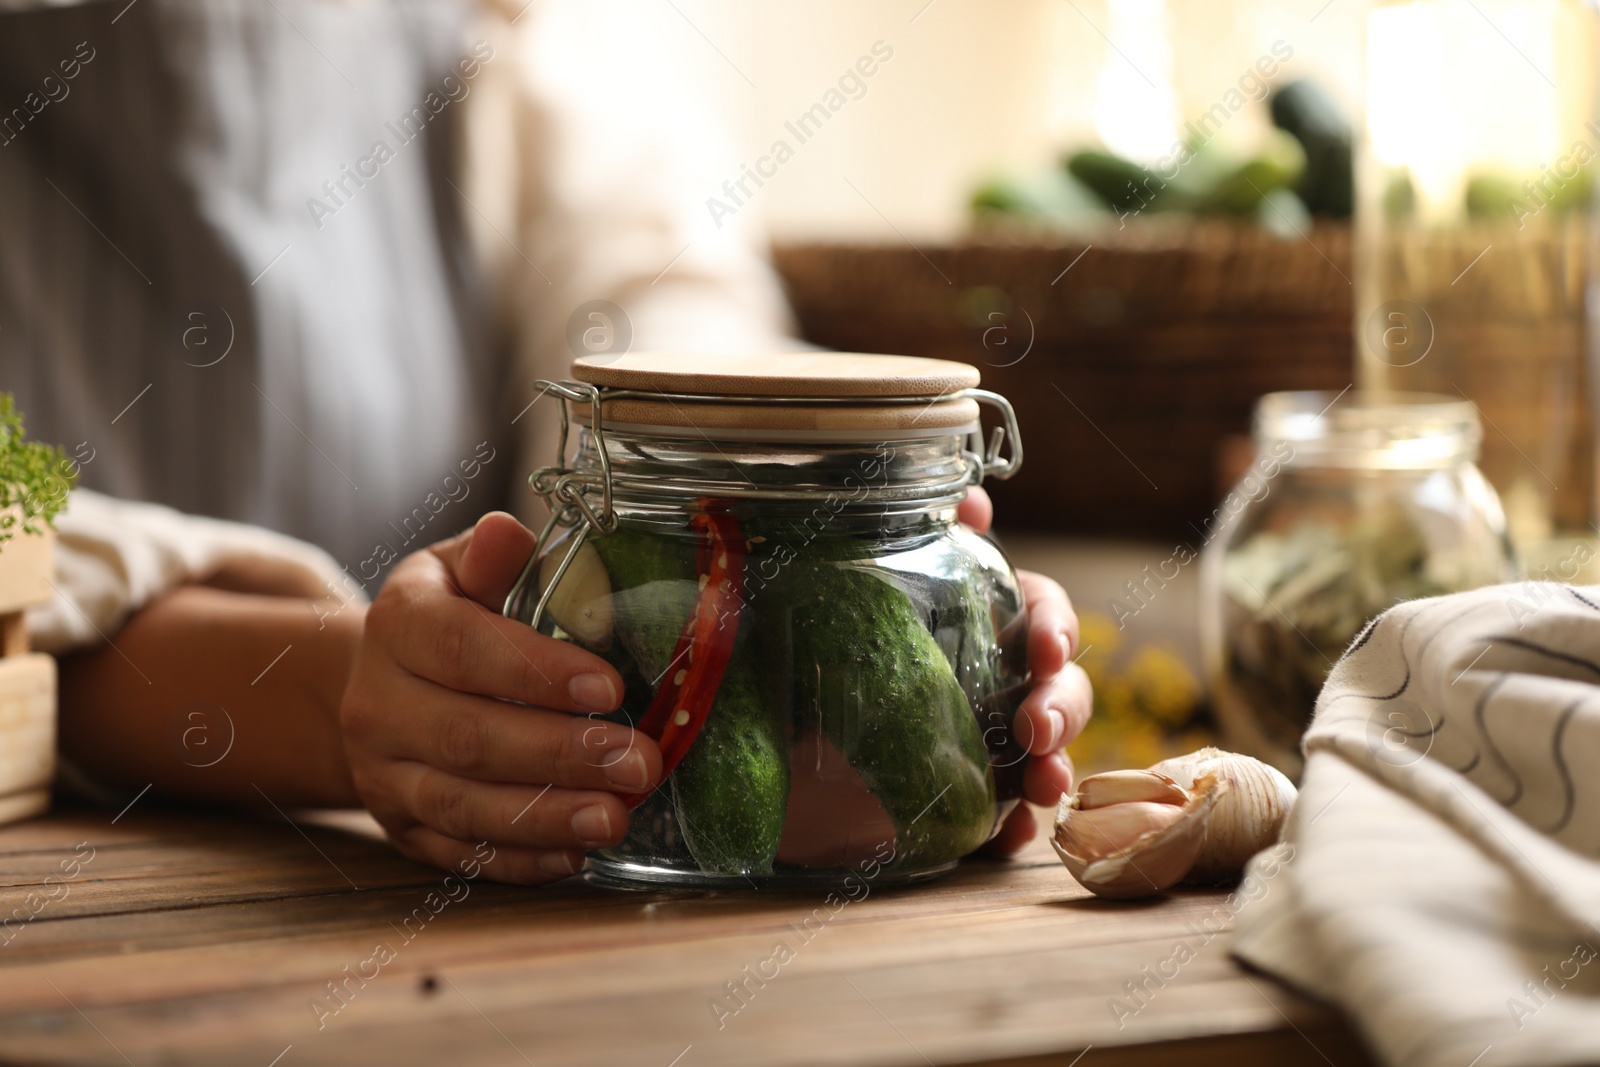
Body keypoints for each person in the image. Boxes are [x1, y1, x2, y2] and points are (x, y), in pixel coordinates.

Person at [4, 0, 1090, 882]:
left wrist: (791, 504)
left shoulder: (524, 38)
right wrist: (343, 693)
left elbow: (660, 306)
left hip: (512, 868)